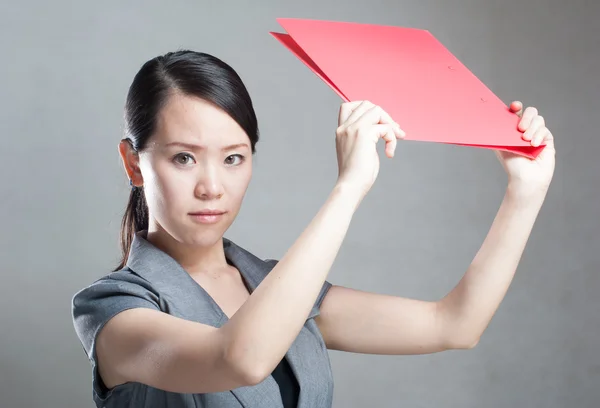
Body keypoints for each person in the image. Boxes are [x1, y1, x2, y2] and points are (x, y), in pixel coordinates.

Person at [71, 50, 556, 408]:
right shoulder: (113, 309)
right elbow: (238, 358)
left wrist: (525, 192)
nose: (212, 187)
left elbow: (454, 324)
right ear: (133, 164)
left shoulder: (279, 285)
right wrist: (348, 188)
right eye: (183, 158)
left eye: (234, 158)